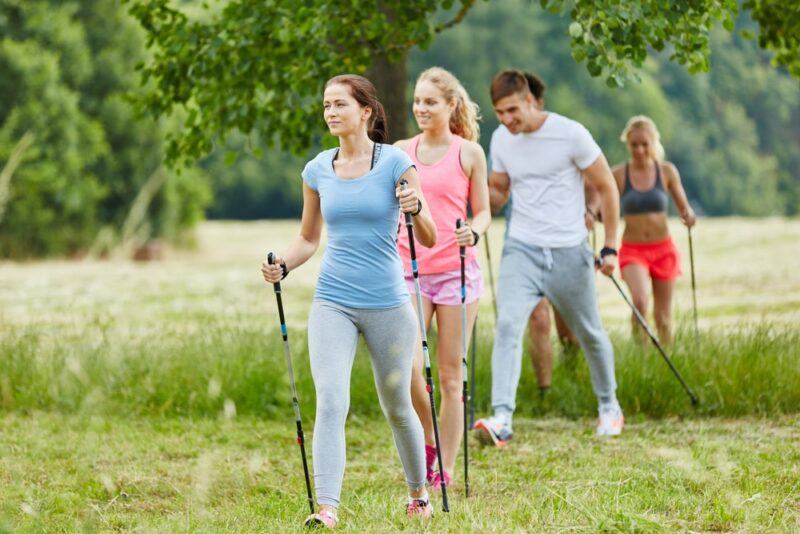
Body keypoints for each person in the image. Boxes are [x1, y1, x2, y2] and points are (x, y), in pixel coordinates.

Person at [261, 74, 438, 527]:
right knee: (332, 399)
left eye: (339, 104)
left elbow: (430, 234)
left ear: (366, 111)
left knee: (398, 402)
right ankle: (327, 507)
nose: (331, 113)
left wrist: (416, 208)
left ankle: (419, 493)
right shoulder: (318, 168)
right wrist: (284, 263)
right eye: (325, 106)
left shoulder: (396, 162)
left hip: (388, 303)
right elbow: (307, 239)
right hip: (333, 301)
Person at [473, 69, 624, 445]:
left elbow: (607, 186)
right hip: (521, 248)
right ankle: (502, 418)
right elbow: (498, 193)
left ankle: (609, 407)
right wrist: (469, 189)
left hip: (569, 250)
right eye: (499, 113)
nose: (506, 120)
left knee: (589, 331)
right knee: (508, 325)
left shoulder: (570, 133)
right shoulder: (501, 140)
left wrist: (609, 247)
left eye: (511, 110)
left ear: (529, 100)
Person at [395, 67, 491, 490]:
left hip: (456, 273)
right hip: (408, 269)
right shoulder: (399, 152)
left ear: (451, 105)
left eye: (430, 101)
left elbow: (484, 210)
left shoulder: (469, 153)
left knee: (451, 376)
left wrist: (477, 229)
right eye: (417, 101)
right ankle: (429, 439)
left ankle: (444, 469)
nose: (421, 108)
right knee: (407, 367)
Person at [612, 115, 696, 344]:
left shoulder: (667, 171)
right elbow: (604, 206)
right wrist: (591, 214)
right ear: (627, 144)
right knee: (639, 302)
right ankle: (642, 358)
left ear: (653, 143)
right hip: (633, 249)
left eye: (644, 144)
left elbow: (683, 207)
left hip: (663, 249)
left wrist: (688, 216)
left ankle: (666, 362)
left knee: (663, 317)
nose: (639, 150)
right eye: (634, 145)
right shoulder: (619, 174)